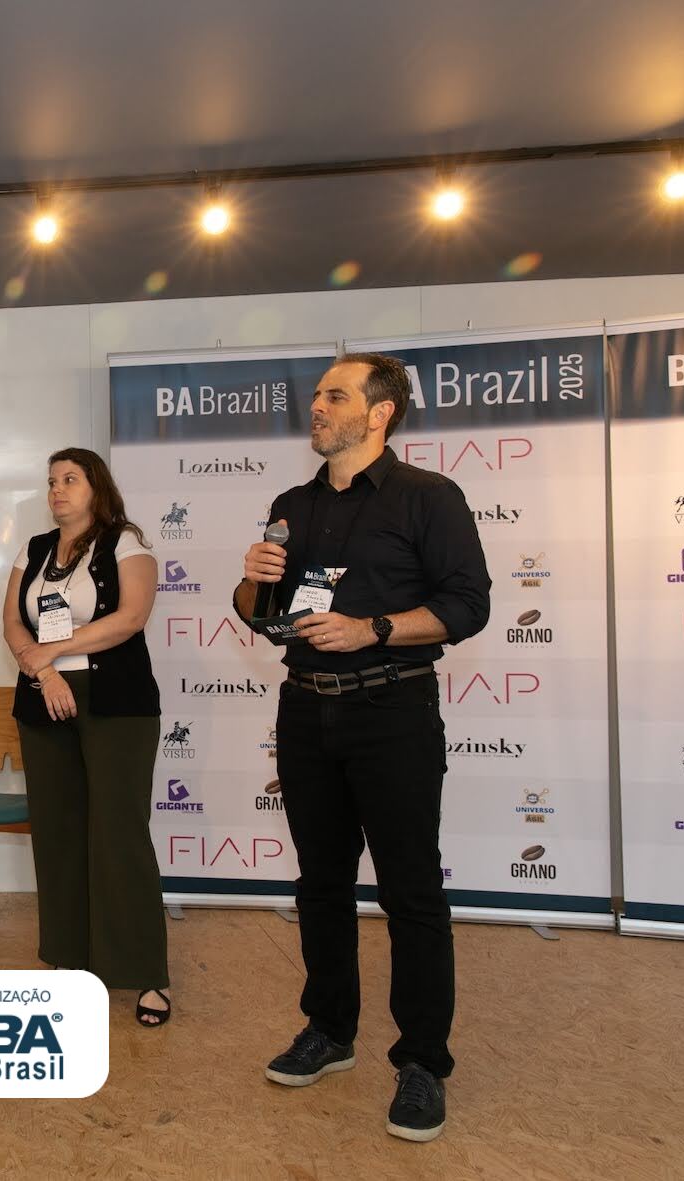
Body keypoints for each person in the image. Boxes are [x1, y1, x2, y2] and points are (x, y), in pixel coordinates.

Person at [234, 353, 490, 1143]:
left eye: (335, 395)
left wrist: (372, 628)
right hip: (304, 710)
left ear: (380, 413)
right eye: (317, 393)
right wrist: (251, 580)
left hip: (393, 709)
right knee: (320, 882)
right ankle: (329, 1029)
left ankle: (422, 1062)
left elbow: (467, 605)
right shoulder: (291, 505)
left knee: (411, 891)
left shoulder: (428, 496)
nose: (317, 405)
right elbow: (260, 615)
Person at [2, 448, 167, 1026]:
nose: (57, 490)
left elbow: (131, 617)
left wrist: (55, 650)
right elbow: (12, 623)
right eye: (51, 481)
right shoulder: (34, 549)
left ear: (97, 487)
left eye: (70, 479)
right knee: (58, 833)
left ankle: (144, 973)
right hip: (43, 697)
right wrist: (46, 672)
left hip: (116, 702)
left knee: (119, 834)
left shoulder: (125, 542)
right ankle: (68, 958)